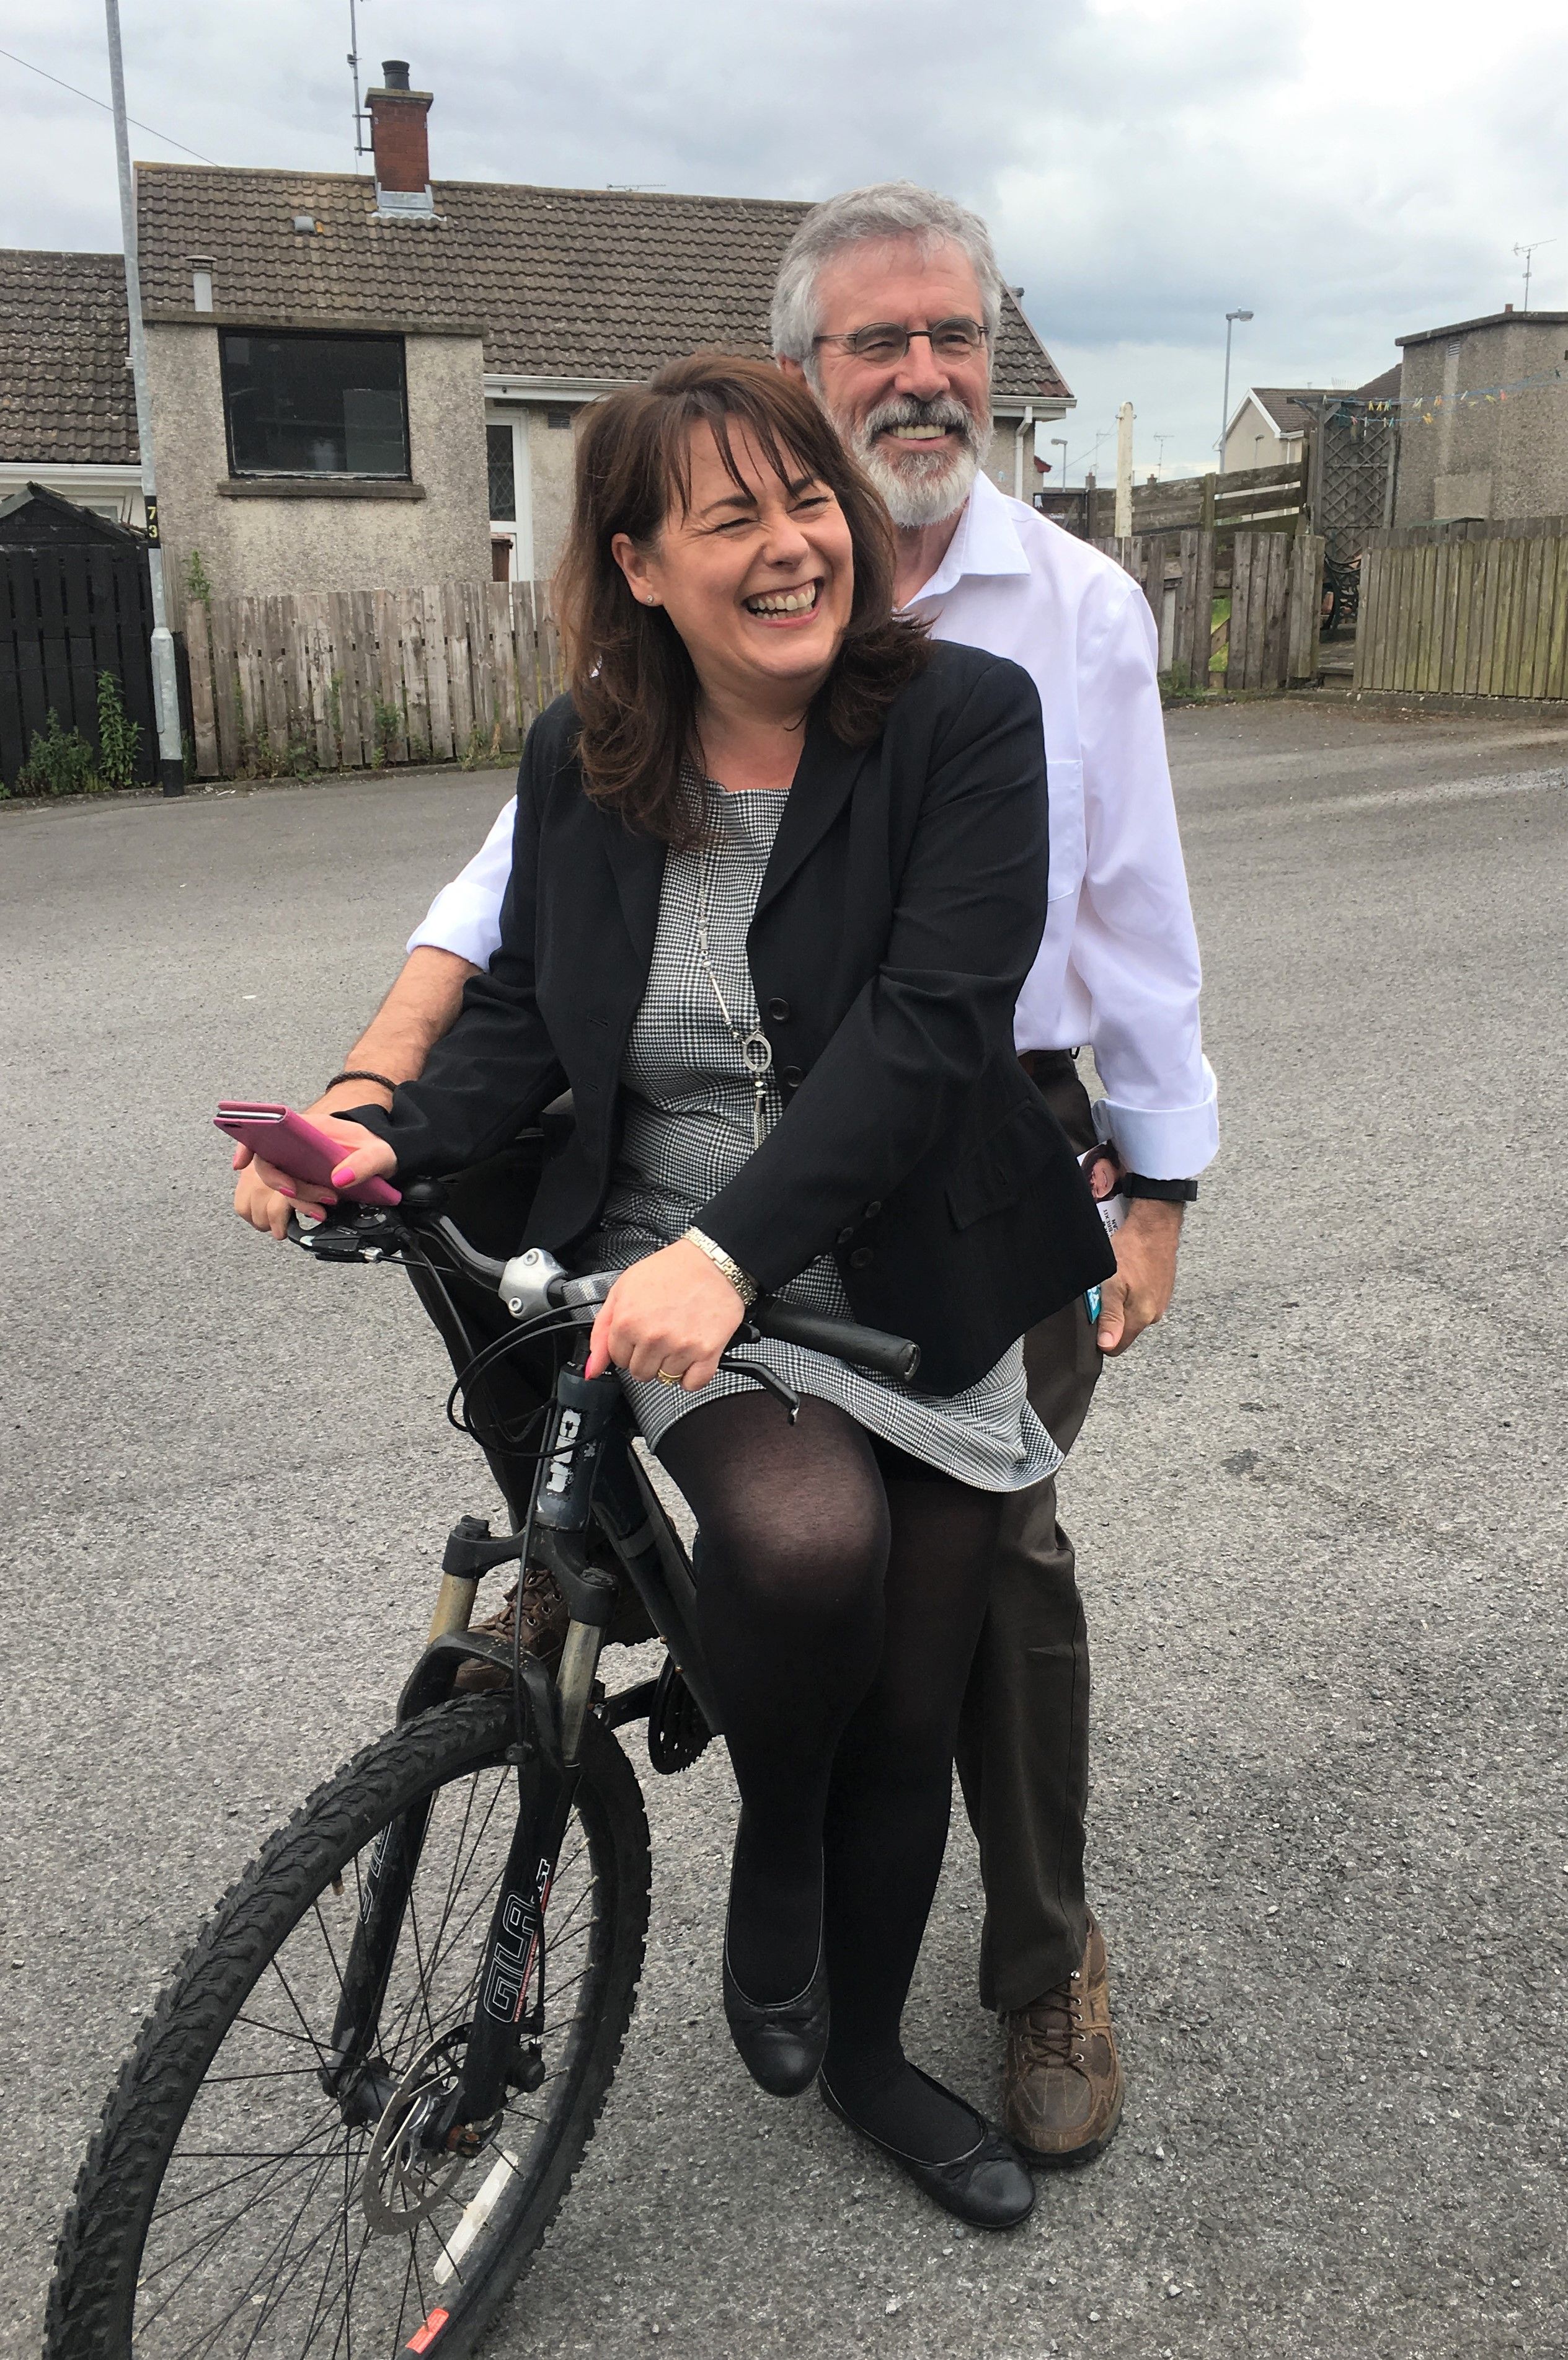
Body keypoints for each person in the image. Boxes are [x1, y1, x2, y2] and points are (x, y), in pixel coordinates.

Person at [235, 182, 1218, 2167]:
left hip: (924, 1238)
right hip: (681, 1261)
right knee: (796, 1553)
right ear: (640, 564)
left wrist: (1157, 1179)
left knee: (932, 1679)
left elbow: (961, 1015)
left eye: (807, 508)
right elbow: (525, 1007)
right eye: (732, 518)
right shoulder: (587, 754)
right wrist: (377, 1121)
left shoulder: (976, 702)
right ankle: (774, 1844)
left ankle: (880, 2046)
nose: (791, 545)